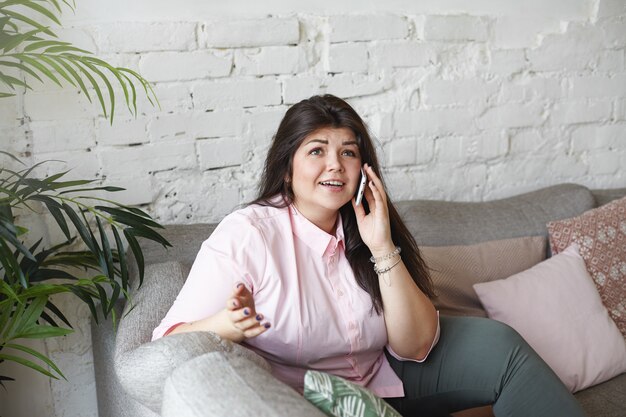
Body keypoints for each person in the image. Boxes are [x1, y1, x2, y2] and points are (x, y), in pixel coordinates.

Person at [153, 95, 587, 417]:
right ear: (287, 168)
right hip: (316, 399)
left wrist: (381, 246)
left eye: (348, 152)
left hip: (385, 375)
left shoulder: (366, 223)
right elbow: (165, 343)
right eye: (317, 150)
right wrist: (224, 326)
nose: (335, 165)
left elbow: (414, 346)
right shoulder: (249, 233)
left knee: (502, 346)